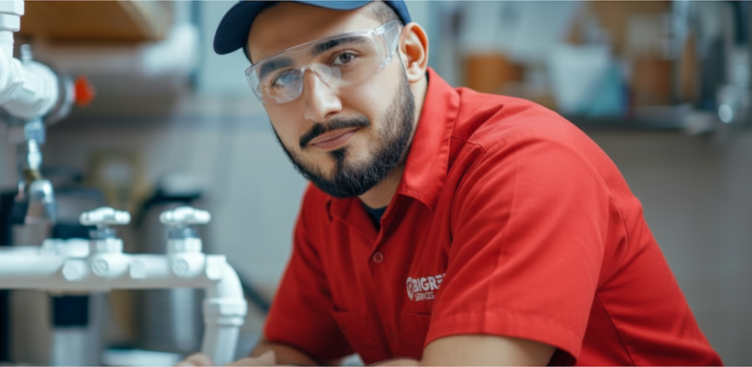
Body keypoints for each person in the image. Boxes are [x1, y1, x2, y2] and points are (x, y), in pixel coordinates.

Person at [182, 1, 723, 365]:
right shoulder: (334, 201)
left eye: (344, 57)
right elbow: (290, 352)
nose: (318, 105)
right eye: (282, 78)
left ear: (412, 55)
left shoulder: (524, 164)